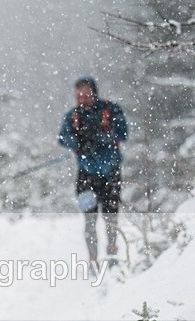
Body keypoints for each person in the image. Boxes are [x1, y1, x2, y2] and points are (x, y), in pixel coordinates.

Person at [58, 76, 128, 268]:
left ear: (94, 93)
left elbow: (123, 133)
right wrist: (78, 142)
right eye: (78, 96)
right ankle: (92, 260)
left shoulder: (110, 110)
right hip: (86, 176)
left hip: (110, 173)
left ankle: (112, 254)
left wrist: (99, 137)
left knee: (111, 216)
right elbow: (62, 138)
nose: (82, 99)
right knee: (89, 219)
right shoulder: (73, 116)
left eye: (86, 95)